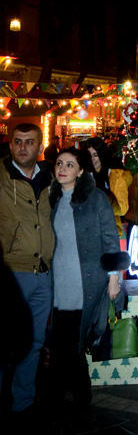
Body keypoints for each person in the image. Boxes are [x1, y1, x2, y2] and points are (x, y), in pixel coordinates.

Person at [48, 147, 129, 407]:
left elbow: (110, 239)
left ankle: (77, 393)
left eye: (70, 165)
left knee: (75, 338)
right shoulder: (50, 197)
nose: (62, 168)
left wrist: (114, 277)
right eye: (59, 163)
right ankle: (70, 392)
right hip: (56, 279)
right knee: (62, 337)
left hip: (88, 279)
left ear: (81, 170)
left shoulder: (96, 198)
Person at [0, 122, 54, 416]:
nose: (23, 147)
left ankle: (23, 402)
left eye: (29, 142)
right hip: (11, 271)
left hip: (42, 273)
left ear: (40, 145)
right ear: (10, 145)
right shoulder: (1, 175)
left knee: (33, 342)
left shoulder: (51, 177)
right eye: (18, 141)